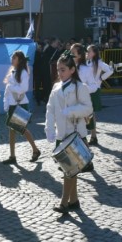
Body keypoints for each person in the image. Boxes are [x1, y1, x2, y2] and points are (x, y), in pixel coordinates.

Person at [45, 50, 93, 213]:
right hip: (61, 133)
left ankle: (64, 203)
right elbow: (50, 108)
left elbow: (88, 108)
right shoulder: (56, 86)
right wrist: (49, 128)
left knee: (69, 170)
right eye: (58, 70)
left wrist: (71, 111)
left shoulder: (81, 87)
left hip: (75, 134)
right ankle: (74, 200)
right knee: (70, 170)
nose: (60, 73)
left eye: (63, 69)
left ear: (72, 70)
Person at [1, 50, 41, 164]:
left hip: (20, 103)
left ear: (19, 60)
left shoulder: (23, 72)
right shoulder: (12, 71)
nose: (12, 59)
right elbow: (8, 91)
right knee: (12, 130)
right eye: (12, 57)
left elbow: (23, 89)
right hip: (12, 104)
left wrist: (11, 87)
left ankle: (35, 149)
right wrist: (6, 103)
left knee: (21, 129)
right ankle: (12, 156)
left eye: (14, 58)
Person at [83, 45, 113, 146]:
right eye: (86, 51)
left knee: (90, 113)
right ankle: (92, 135)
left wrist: (100, 79)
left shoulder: (98, 62)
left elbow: (110, 70)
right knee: (88, 114)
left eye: (89, 51)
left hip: (94, 90)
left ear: (94, 53)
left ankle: (93, 136)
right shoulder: (86, 62)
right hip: (86, 89)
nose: (87, 52)